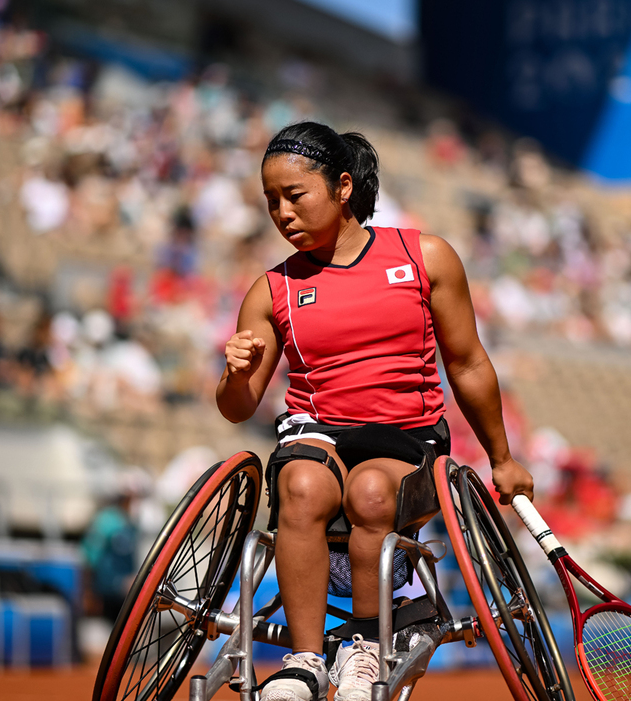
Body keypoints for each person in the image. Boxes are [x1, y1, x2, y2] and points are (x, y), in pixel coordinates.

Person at [216, 122, 533, 701]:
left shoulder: (424, 257)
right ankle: (305, 663)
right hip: (317, 433)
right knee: (304, 487)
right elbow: (239, 408)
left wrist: (502, 458)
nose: (281, 213)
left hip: (406, 440)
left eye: (294, 195)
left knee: (369, 493)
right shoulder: (270, 291)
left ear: (341, 188)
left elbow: (466, 364)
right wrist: (236, 372)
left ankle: (365, 650)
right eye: (270, 201)